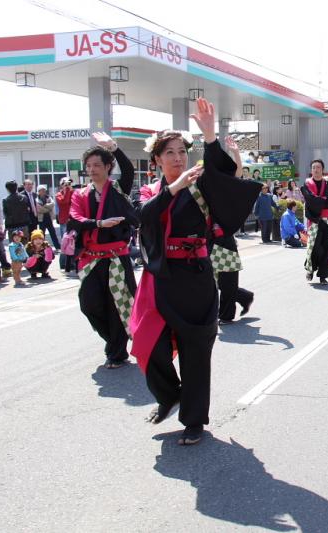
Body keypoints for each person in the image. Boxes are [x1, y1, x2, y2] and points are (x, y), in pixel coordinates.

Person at [130, 98, 259, 446]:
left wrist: (209, 137)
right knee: (149, 344)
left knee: (196, 350)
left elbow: (223, 176)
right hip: (160, 278)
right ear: (156, 160)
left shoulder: (200, 184)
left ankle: (194, 420)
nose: (178, 158)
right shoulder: (150, 191)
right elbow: (142, 215)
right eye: (169, 153)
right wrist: (174, 188)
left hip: (197, 276)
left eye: (182, 152)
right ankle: (169, 394)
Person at [68, 132, 139, 369]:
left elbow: (128, 170)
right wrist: (99, 224)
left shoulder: (118, 188)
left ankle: (117, 353)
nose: (92, 169)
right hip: (91, 259)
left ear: (108, 166)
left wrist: (114, 147)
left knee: (118, 305)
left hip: (117, 257)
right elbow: (75, 218)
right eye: (88, 166)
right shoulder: (80, 194)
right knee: (89, 304)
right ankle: (114, 342)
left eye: (97, 165)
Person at [212, 136, 255, 325]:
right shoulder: (204, 185)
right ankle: (244, 297)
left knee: (227, 279)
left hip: (224, 237)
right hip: (206, 239)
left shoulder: (226, 186)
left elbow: (237, 174)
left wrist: (236, 153)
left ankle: (226, 315)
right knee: (212, 281)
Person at [36, 185, 60, 250]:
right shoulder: (37, 199)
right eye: (41, 190)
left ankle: (57, 247)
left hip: (49, 218)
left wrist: (44, 206)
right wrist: (47, 208)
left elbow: (52, 204)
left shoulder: (49, 198)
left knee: (53, 233)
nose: (43, 191)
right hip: (41, 220)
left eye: (44, 190)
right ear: (39, 191)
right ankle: (42, 248)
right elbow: (39, 209)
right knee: (42, 235)